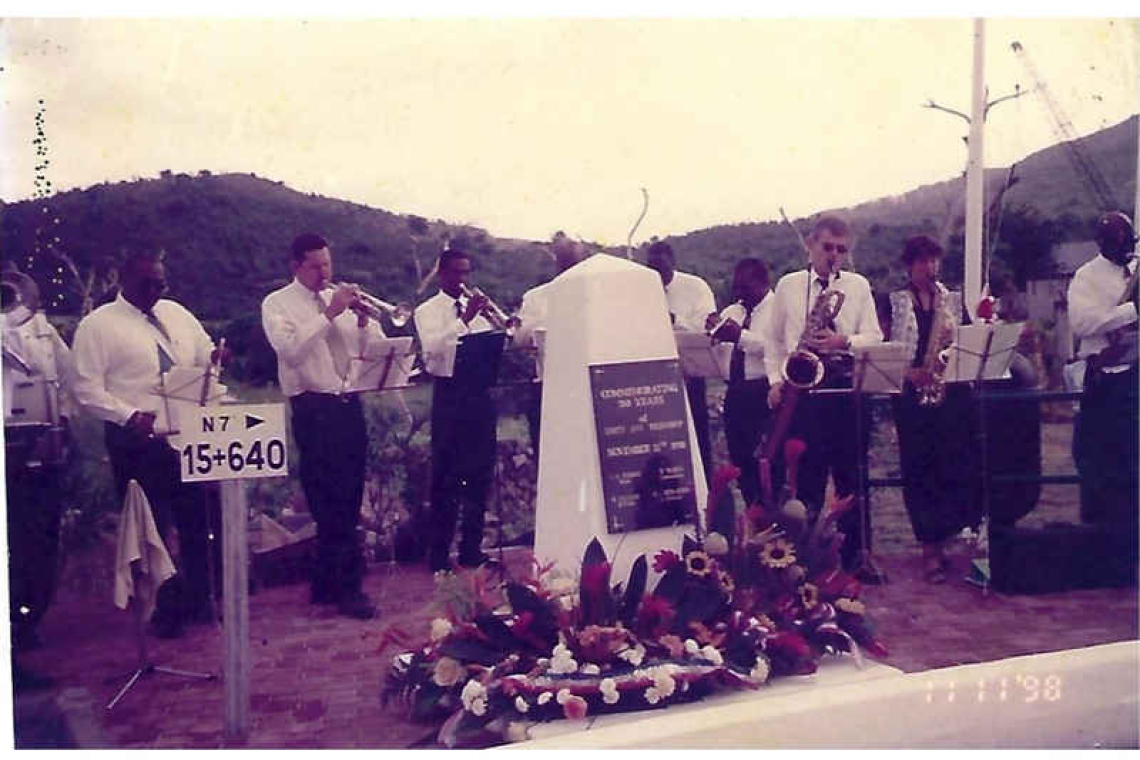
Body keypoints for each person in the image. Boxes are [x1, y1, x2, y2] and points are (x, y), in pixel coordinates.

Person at [72, 250, 223, 637]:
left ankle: (200, 600)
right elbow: (85, 388)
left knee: (200, 520)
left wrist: (215, 355)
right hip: (138, 440)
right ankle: (162, 613)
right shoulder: (97, 325)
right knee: (152, 529)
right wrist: (128, 415)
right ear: (123, 280)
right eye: (148, 284)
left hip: (190, 433)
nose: (157, 290)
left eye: (162, 283)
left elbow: (203, 348)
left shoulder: (175, 311)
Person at [261, 233, 384, 620]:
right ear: (296, 265)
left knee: (348, 497)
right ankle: (347, 588)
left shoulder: (342, 302)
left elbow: (373, 347)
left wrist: (363, 322)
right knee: (327, 499)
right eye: (315, 265)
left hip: (349, 403)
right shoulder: (277, 304)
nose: (324, 272)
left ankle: (328, 582)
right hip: (313, 408)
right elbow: (292, 352)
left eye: (328, 263)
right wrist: (328, 313)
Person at [763, 216, 884, 580]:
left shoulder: (858, 286)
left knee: (852, 478)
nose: (834, 256)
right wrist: (774, 380)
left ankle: (855, 559)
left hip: (845, 391)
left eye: (841, 250)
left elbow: (875, 335)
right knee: (807, 479)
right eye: (827, 247)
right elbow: (772, 339)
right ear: (811, 246)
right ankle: (806, 560)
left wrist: (843, 341)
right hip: (803, 392)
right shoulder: (788, 285)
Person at [888, 235, 979, 583]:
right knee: (919, 470)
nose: (930, 268)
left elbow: (969, 339)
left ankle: (948, 538)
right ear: (909, 265)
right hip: (912, 398)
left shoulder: (952, 301)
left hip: (949, 397)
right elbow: (884, 347)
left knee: (951, 467)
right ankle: (929, 549)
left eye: (934, 261)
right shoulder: (894, 301)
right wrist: (907, 371)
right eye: (923, 262)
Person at [3, 268, 73, 689]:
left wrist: (62, 418)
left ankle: (27, 625)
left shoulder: (45, 332)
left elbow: (67, 376)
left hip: (43, 453)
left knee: (40, 546)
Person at [414, 247, 500, 573]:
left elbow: (488, 347)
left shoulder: (476, 309)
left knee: (479, 477)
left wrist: (494, 324)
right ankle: (438, 556)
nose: (463, 280)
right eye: (457, 273)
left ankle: (471, 549)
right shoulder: (427, 311)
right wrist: (464, 321)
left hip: (479, 396)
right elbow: (433, 351)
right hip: (449, 398)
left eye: (467, 273)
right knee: (446, 479)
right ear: (442, 274)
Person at [1067, 210, 1138, 577]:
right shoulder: (1087, 277)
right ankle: (1103, 555)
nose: (1127, 250)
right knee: (1100, 466)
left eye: (1131, 243)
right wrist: (1130, 310)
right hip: (1106, 381)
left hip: (1135, 377)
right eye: (1120, 244)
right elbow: (1082, 322)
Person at [645, 240, 716, 484]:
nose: (658, 275)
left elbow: (706, 327)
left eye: (662, 269)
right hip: (654, 378)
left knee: (697, 437)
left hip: (690, 375)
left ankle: (706, 490)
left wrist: (673, 319)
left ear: (673, 262)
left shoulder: (696, 287)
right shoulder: (642, 288)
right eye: (651, 269)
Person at [512, 232, 587, 453]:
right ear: (557, 263)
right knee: (549, 454)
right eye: (565, 263)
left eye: (575, 263)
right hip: (549, 386)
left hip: (590, 386)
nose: (570, 269)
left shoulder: (597, 292)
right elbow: (521, 338)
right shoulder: (536, 297)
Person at [707, 258, 773, 506]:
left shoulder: (778, 310)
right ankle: (753, 518)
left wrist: (740, 336)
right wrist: (712, 336)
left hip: (763, 393)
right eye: (737, 288)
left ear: (763, 283)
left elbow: (777, 348)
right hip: (735, 393)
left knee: (765, 466)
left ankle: (772, 521)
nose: (739, 294)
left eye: (745, 288)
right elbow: (719, 354)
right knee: (741, 463)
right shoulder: (732, 312)